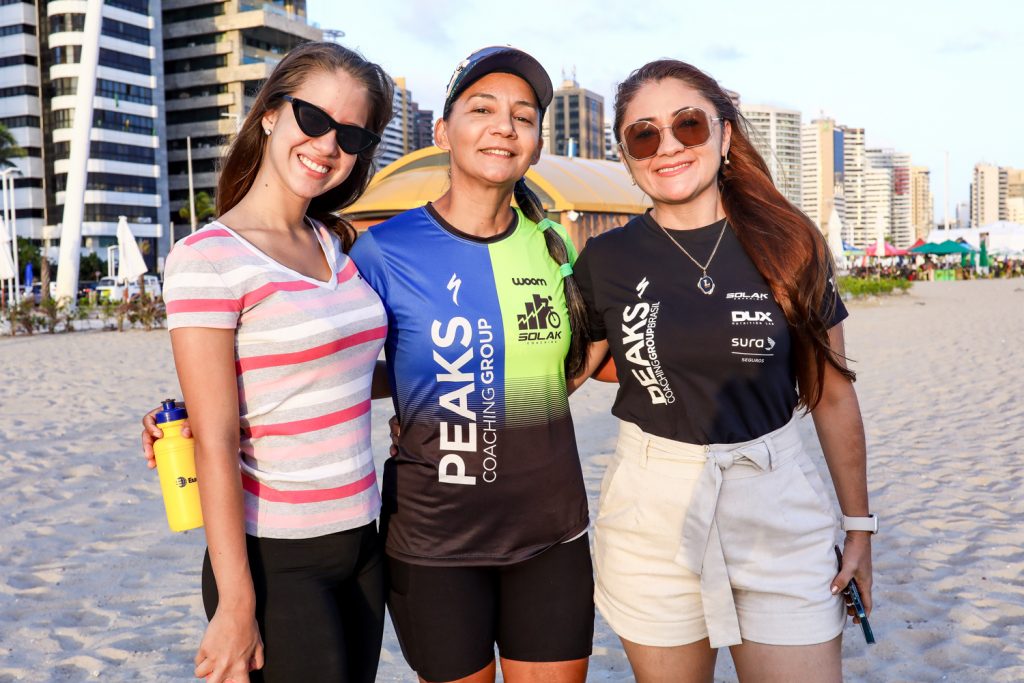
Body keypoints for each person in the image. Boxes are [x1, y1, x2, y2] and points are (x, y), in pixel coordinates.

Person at [571, 59, 875, 683]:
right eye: (644, 134)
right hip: (651, 509)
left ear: (726, 135)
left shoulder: (791, 243)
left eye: (688, 125)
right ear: (628, 155)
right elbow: (578, 370)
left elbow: (832, 397)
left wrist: (859, 527)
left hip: (777, 499)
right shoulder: (605, 258)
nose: (670, 146)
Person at [348, 46, 595, 683]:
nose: (504, 126)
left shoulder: (555, 247)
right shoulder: (384, 250)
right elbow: (329, 357)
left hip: (551, 536)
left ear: (537, 143)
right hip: (434, 544)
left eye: (523, 115)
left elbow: (578, 357)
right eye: (482, 108)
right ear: (443, 132)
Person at [150, 42, 394, 683]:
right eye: (313, 119)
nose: (327, 144)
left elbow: (336, 375)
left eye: (351, 134)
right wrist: (236, 602)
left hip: (363, 542)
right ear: (269, 115)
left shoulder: (335, 243)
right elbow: (218, 438)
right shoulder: (207, 258)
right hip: (275, 555)